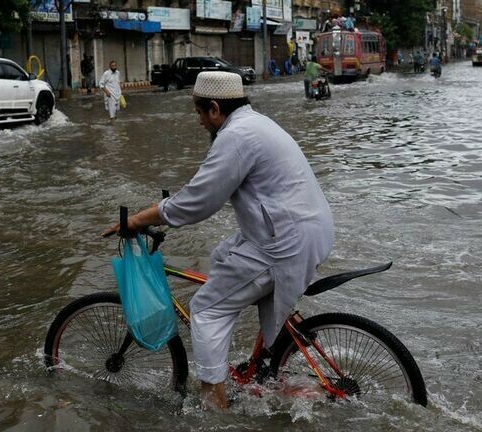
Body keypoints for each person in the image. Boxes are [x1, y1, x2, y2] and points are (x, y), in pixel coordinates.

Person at [101, 72, 334, 409]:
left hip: (284, 241)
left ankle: (214, 402)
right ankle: (266, 366)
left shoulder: (236, 136)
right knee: (223, 254)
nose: (199, 122)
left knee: (206, 309)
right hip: (303, 229)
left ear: (213, 108)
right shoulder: (256, 124)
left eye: (198, 113)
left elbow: (198, 201)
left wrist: (138, 219)